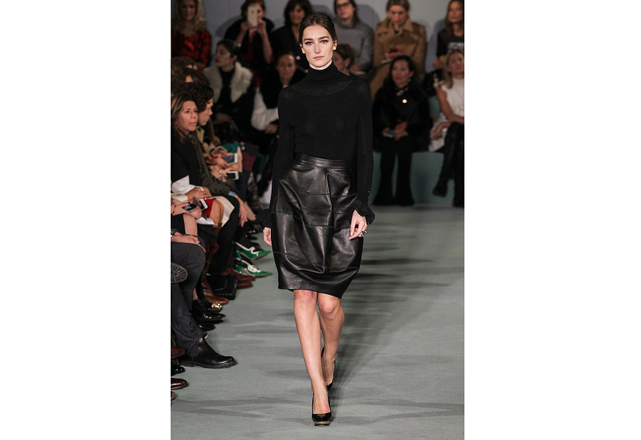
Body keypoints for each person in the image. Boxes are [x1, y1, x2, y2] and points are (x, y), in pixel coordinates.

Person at [257, 12, 374, 426]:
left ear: (335, 43)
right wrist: (270, 213)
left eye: (324, 40)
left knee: (328, 303)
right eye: (309, 42)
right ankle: (318, 391)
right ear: (301, 48)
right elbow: (283, 155)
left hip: (341, 196)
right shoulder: (291, 95)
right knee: (303, 296)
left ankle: (330, 353)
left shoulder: (356, 89)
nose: (317, 48)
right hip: (296, 197)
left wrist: (362, 205)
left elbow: (364, 150)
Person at [372, 55, 431, 206]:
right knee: (388, 144)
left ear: (410, 73)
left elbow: (423, 120)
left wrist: (407, 130)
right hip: (386, 136)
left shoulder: (419, 94)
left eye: (403, 69)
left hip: (412, 136)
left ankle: (403, 195)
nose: (398, 73)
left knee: (405, 144)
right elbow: (374, 118)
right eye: (395, 69)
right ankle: (384, 194)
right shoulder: (383, 93)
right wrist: (384, 129)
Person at [369, 0, 426, 100]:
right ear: (388, 12)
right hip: (385, 72)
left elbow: (419, 64)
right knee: (377, 89)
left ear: (407, 12)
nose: (397, 17)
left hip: (409, 73)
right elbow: (376, 62)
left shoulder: (418, 31)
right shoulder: (380, 29)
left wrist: (402, 57)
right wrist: (386, 57)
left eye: (400, 13)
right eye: (393, 13)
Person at [203, 39, 255, 145]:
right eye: (216, 52)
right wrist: (216, 116)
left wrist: (229, 117)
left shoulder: (245, 77)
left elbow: (247, 107)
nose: (217, 56)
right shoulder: (208, 75)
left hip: (237, 124)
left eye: (222, 53)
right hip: (212, 122)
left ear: (233, 57)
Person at [430, 49, 464, 207]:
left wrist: (449, 123)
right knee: (458, 135)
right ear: (448, 68)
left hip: (453, 129)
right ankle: (459, 195)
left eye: (460, 59)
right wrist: (448, 123)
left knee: (457, 132)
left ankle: (443, 179)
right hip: (452, 130)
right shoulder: (442, 88)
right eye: (453, 61)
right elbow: (450, 116)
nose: (458, 64)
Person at [224, 0, 275, 85]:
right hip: (238, 69)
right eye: (251, 11)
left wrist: (264, 36)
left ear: (263, 12)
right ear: (245, 12)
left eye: (258, 11)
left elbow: (269, 59)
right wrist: (242, 33)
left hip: (261, 70)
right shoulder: (235, 27)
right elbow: (231, 54)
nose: (255, 15)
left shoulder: (268, 27)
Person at [332, 0, 374, 76]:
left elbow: (367, 58)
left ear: (354, 7)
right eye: (338, 6)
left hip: (356, 72)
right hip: (333, 69)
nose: (342, 8)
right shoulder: (329, 28)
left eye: (345, 4)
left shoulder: (365, 30)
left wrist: (356, 67)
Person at [270, 0, 314, 72]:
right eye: (292, 11)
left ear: (305, 12)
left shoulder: (314, 34)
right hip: (285, 74)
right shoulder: (278, 34)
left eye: (298, 11)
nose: (295, 14)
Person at [171, 0, 212, 71]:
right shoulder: (172, 32)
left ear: (197, 9)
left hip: (196, 74)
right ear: (179, 8)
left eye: (191, 7)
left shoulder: (204, 34)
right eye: (184, 6)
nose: (188, 10)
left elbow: (204, 64)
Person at [432, 0, 464, 71]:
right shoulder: (443, 34)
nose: (453, 13)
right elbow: (441, 56)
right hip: (449, 70)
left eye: (457, 9)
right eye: (450, 10)